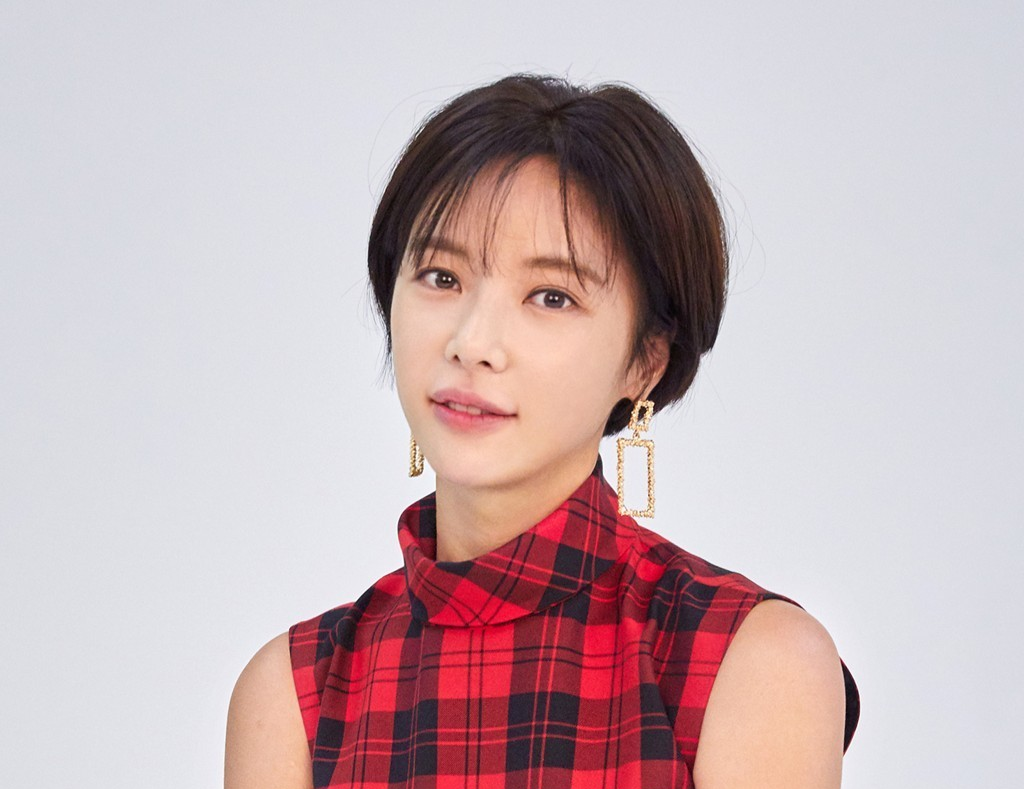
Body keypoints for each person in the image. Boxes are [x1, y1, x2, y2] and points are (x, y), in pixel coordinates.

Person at [224, 73, 860, 789]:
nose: (472, 342)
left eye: (551, 296)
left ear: (645, 361)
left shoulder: (746, 661)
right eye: (441, 277)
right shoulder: (296, 696)